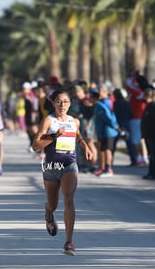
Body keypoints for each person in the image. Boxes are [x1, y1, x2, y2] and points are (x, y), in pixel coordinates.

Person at [32, 88, 93, 256]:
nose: (62, 105)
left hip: (69, 165)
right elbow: (36, 145)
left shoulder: (74, 121)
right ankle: (48, 212)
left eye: (65, 101)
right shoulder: (49, 121)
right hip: (52, 167)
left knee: (69, 200)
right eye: (59, 101)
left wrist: (85, 146)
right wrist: (54, 137)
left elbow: (78, 135)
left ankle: (68, 242)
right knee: (53, 204)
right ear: (53, 103)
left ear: (70, 104)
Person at [90, 86, 121, 177]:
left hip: (108, 131)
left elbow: (109, 118)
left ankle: (108, 169)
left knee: (107, 150)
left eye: (100, 91)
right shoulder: (100, 104)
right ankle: (103, 168)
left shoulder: (104, 103)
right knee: (103, 150)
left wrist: (115, 127)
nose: (99, 93)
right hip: (103, 132)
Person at [141, 89, 155, 180]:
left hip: (152, 134)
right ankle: (151, 172)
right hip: (148, 134)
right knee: (151, 155)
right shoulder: (149, 107)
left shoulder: (153, 107)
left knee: (154, 155)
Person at [113, 88, 136, 166]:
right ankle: (134, 160)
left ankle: (110, 161)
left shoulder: (116, 103)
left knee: (113, 143)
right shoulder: (126, 103)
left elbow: (115, 114)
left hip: (119, 123)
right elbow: (131, 114)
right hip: (126, 123)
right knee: (129, 143)